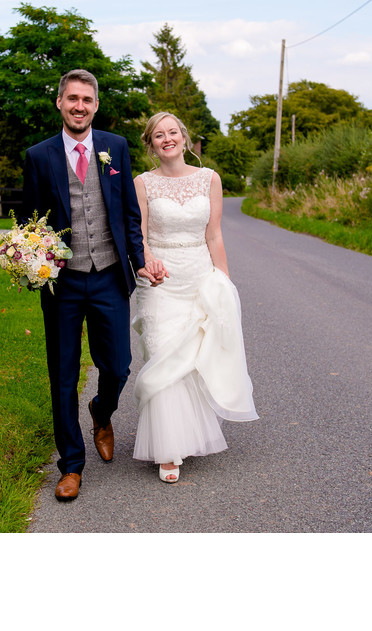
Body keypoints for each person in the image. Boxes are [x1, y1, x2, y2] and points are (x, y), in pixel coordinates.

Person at [22, 69, 167, 501]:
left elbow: (128, 216)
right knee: (63, 375)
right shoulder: (39, 155)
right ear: (60, 103)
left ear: (96, 105)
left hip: (108, 275)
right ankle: (71, 466)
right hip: (62, 284)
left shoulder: (115, 147)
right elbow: (33, 222)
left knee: (118, 365)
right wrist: (31, 265)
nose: (79, 106)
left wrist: (139, 262)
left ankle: (101, 413)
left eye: (87, 99)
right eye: (72, 99)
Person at [131, 112, 258, 483]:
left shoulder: (210, 179)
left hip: (199, 277)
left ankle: (182, 434)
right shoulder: (142, 183)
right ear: (151, 144)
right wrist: (149, 262)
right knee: (164, 353)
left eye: (173, 132)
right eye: (159, 134)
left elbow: (214, 234)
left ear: (184, 138)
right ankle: (168, 450)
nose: (167, 138)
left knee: (191, 358)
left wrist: (224, 281)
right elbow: (138, 235)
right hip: (160, 280)